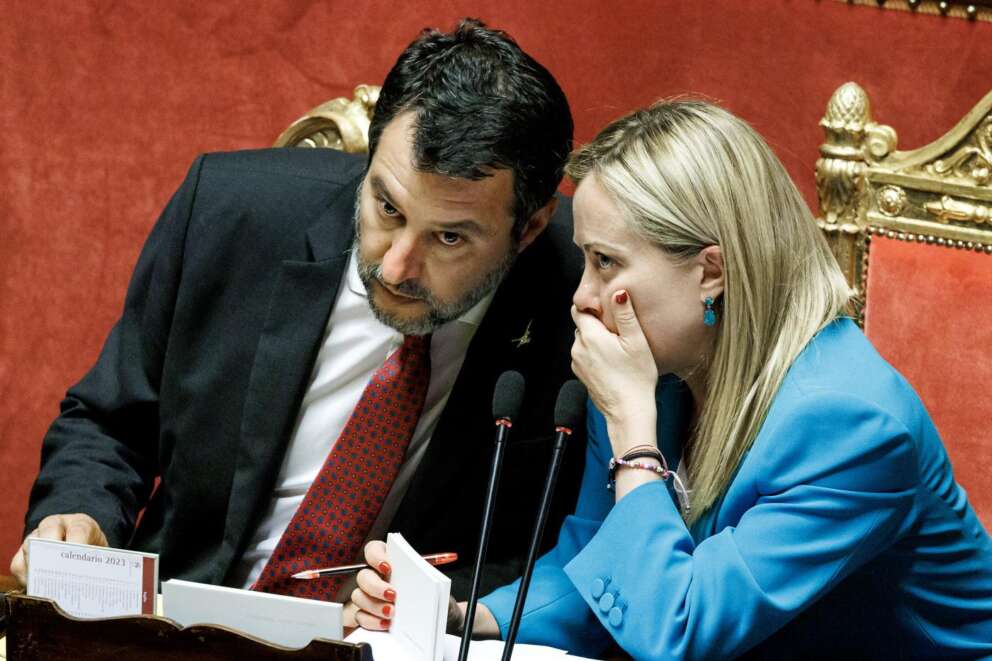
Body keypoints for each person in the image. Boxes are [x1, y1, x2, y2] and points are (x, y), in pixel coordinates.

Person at [350, 100, 992, 657]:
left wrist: (634, 438)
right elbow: (601, 559)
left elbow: (680, 634)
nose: (583, 298)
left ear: (711, 271)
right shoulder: (655, 370)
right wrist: (471, 618)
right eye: (585, 260)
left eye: (606, 263)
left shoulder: (850, 426)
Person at [11, 19, 587, 610]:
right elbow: (110, 420)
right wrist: (79, 513)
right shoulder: (230, 215)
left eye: (449, 238)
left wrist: (430, 604)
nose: (395, 267)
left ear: (529, 228)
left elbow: (568, 543)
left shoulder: (583, 292)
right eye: (387, 208)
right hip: (181, 617)